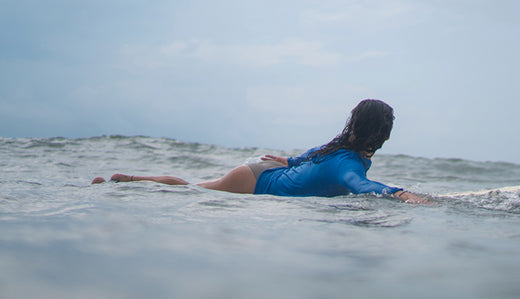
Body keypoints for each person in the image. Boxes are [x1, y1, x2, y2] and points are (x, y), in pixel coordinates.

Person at [92, 99, 428, 204]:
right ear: (383, 135)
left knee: (193, 188)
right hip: (254, 181)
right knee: (190, 190)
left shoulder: (338, 148)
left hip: (264, 172)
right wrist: (400, 194)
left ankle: (131, 182)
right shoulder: (347, 163)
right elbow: (359, 184)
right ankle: (131, 180)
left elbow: (310, 155)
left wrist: (291, 161)